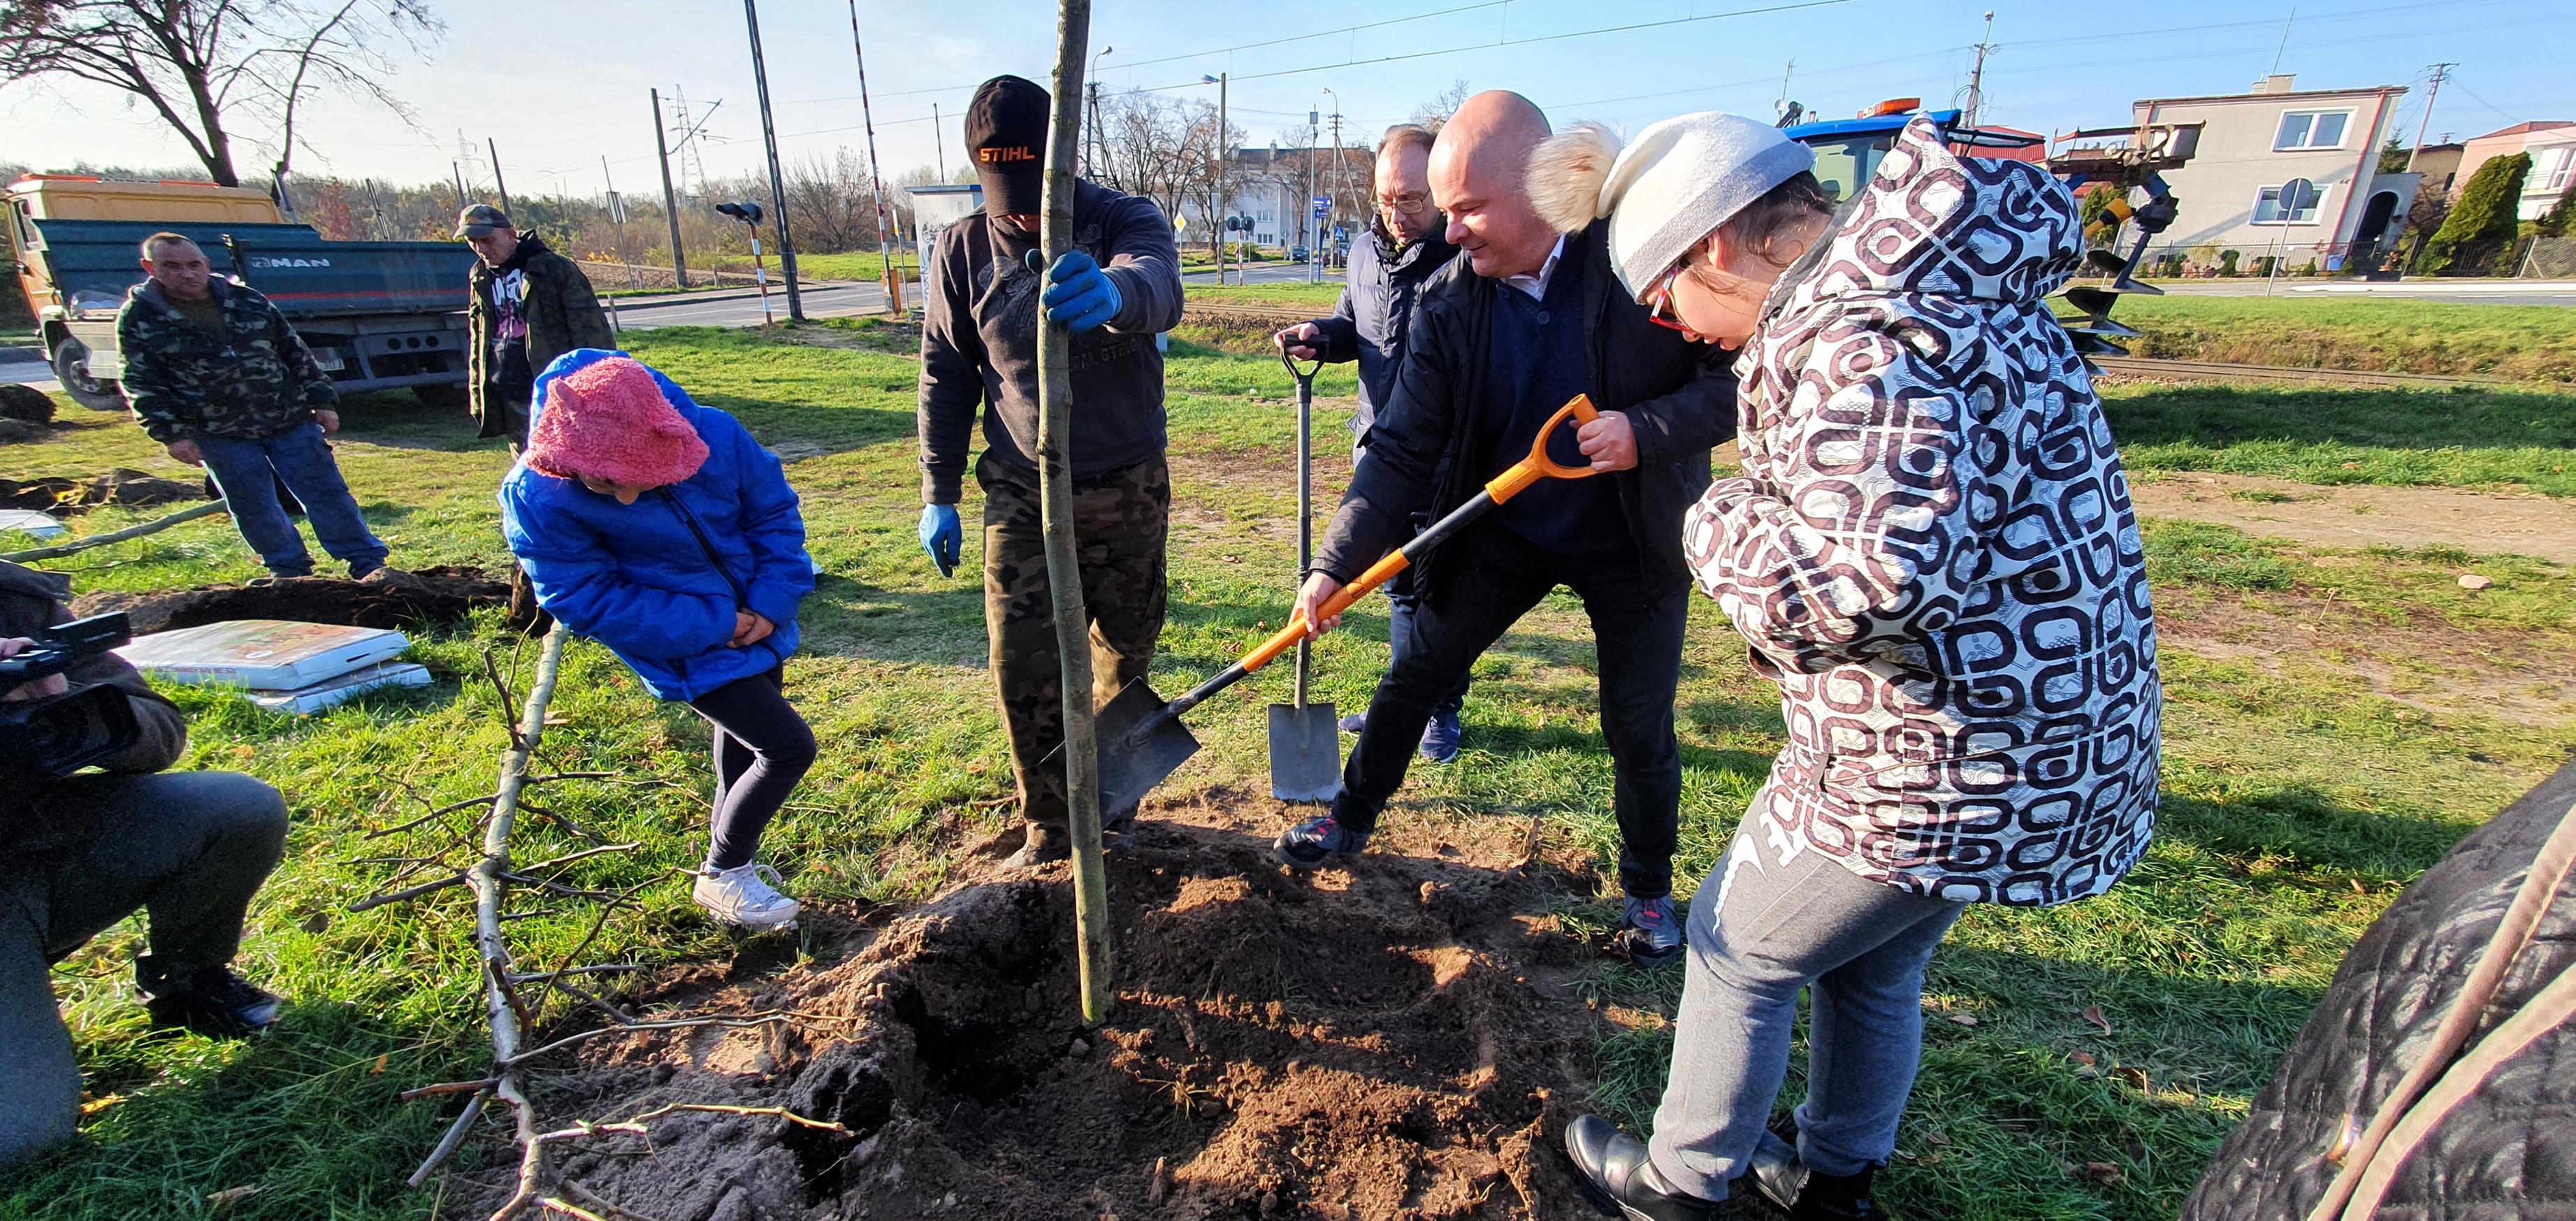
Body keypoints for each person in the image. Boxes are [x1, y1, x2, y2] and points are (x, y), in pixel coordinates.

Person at [1542, 114, 2162, 1220]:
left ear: (1715, 247)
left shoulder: (1855, 332)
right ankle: (1831, 1181)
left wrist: (1715, 514)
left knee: (1737, 946)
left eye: (1660, 299)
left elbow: (1861, 588)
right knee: (1870, 963)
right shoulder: (1950, 291)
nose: (1676, 330)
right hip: (2046, 735)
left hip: (1933, 756)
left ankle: (1679, 1187)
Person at [1276, 92, 1736, 966]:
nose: (1448, 233)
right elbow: (1400, 446)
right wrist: (1335, 563)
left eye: (1465, 209)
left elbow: (1736, 377)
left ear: (1537, 188)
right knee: (1416, 670)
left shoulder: (1640, 260)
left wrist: (1647, 432)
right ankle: (1350, 814)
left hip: (1633, 540)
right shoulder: (1452, 302)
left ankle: (1646, 890)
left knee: (1636, 726)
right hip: (1510, 525)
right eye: (1443, 211)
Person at [914, 74, 1185, 867]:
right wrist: (938, 490)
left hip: (1124, 482)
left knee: (1123, 650)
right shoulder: (960, 248)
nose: (1025, 216)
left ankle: (1111, 804)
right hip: (1019, 487)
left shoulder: (1120, 217)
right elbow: (945, 371)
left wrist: (1114, 292)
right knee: (1021, 661)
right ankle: (1046, 826)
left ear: (1063, 166)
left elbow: (1160, 285)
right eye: (1007, 200)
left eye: (1035, 193)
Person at [499, 351, 818, 931]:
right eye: (602, 483)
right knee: (788, 747)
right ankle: (725, 872)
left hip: (757, 618)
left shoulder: (716, 433)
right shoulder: (538, 495)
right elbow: (586, 596)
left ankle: (730, 871)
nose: (621, 497)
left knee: (744, 745)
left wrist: (771, 602)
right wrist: (716, 624)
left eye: (636, 482)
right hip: (681, 639)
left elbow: (772, 514)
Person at [0, 560, 291, 1169]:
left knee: (235, 807)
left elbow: (158, 725)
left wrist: (68, 699)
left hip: (34, 845)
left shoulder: (13, 601)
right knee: (21, 1137)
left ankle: (189, 983)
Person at [1272, 124, 1471, 763]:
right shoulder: (1363, 252)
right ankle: (1401, 700)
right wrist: (1319, 337)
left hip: (1445, 462)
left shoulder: (1465, 260)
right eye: (1386, 198)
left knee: (1440, 596)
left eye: (1413, 199)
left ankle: (1438, 710)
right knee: (1400, 589)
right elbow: (1354, 325)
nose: (1398, 213)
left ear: (1441, 192)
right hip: (1380, 454)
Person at [116, 233, 389, 580]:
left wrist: (322, 401)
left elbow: (294, 352)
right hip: (219, 431)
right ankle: (289, 570)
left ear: (206, 265)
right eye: (172, 266)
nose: (186, 274)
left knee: (327, 493)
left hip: (287, 418)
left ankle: (366, 562)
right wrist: (171, 434)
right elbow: (139, 381)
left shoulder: (247, 301)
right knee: (254, 505)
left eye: (193, 265)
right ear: (149, 268)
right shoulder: (140, 318)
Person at [459, 205, 616, 449]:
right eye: (472, 241)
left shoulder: (552, 269)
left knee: (569, 471)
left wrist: (598, 391)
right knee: (529, 475)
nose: (481, 249)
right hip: (509, 393)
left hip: (555, 392)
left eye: (488, 240)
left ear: (511, 234)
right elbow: (478, 340)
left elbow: (592, 334)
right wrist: (477, 395)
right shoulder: (479, 276)